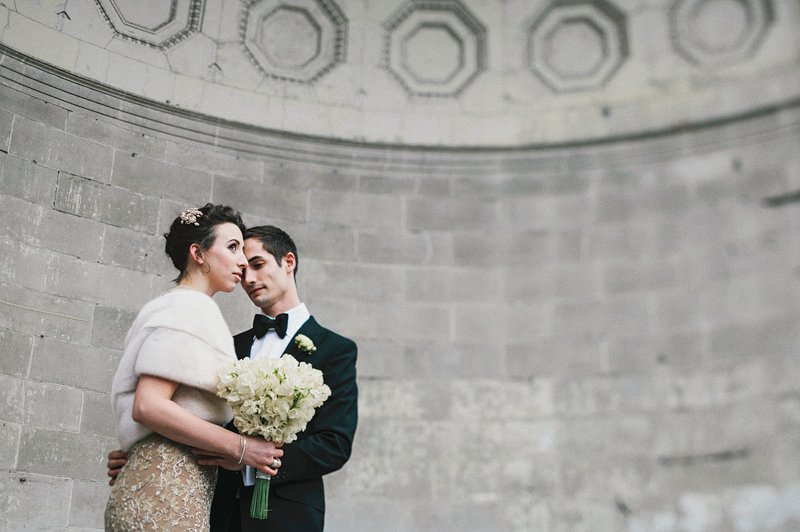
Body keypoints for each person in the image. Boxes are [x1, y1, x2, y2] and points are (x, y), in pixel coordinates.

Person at [107, 224, 359, 532]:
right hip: (217, 512)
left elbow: (334, 444)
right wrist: (146, 451)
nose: (248, 279)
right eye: (243, 268)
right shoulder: (228, 345)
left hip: (287, 516)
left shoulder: (336, 350)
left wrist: (255, 460)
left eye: (257, 265)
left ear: (288, 262)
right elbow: (196, 414)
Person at [104, 205, 285, 531]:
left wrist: (137, 448)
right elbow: (148, 405)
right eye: (233, 247)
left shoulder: (173, 305)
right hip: (166, 493)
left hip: (171, 486)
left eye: (243, 250)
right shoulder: (189, 305)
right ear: (197, 253)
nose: (243, 262)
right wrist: (242, 449)